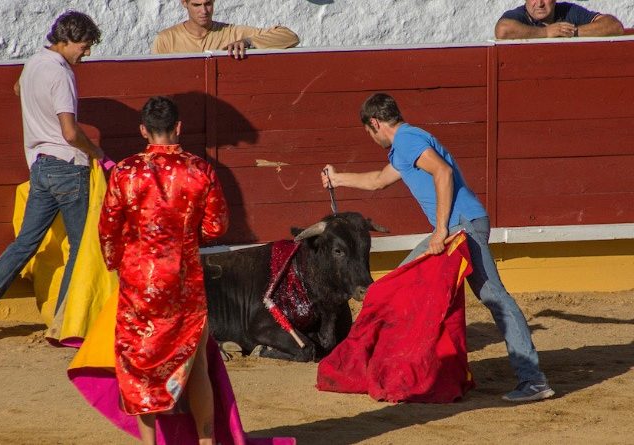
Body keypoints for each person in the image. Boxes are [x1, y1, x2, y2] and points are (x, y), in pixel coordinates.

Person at [321, 93, 555, 403]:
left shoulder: (406, 139)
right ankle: (413, 366)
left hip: (461, 227)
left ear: (374, 123)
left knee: (491, 296)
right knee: (401, 284)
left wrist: (441, 228)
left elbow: (442, 172)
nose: (370, 137)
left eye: (368, 131)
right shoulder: (405, 145)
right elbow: (378, 180)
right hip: (462, 224)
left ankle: (532, 378)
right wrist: (338, 179)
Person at [0, 10, 104, 341]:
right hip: (68, 167)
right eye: (83, 45)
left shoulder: (33, 64)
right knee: (82, 247)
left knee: (25, 242)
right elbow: (70, 132)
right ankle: (63, 319)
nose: (86, 52)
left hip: (39, 165)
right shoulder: (62, 74)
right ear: (65, 40)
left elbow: (16, 89)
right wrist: (95, 151)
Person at [100, 96, 229, 444]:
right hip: (184, 279)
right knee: (197, 362)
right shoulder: (200, 170)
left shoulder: (125, 172)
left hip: (139, 282)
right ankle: (206, 442)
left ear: (143, 129)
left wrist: (117, 263)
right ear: (179, 128)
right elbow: (216, 227)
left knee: (139, 367)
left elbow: (109, 229)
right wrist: (184, 237)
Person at [152, 0, 299, 59]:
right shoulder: (166, 39)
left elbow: (289, 36)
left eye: (208, 3)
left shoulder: (232, 32)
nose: (204, 11)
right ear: (184, 3)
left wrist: (248, 42)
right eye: (197, 5)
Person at [495, 0, 623, 39]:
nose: (539, 4)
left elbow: (614, 26)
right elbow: (502, 30)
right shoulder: (518, 15)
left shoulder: (568, 10)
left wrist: (571, 31)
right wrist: (546, 33)